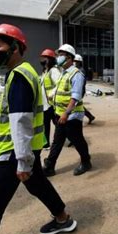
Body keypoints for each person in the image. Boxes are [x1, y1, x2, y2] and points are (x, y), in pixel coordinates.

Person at [0, 24, 76, 234]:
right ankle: (62, 218)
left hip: (13, 152)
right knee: (37, 183)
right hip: (25, 149)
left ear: (15, 47)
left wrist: (23, 161)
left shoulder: (20, 76)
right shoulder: (25, 72)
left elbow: (21, 121)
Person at [42, 44, 92, 177]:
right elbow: (59, 90)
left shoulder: (76, 74)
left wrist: (66, 113)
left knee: (78, 141)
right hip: (60, 113)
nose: (58, 57)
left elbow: (75, 97)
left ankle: (86, 162)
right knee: (57, 141)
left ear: (69, 58)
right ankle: (50, 166)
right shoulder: (63, 73)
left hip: (72, 116)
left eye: (61, 55)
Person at [39, 48, 61, 150]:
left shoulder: (54, 71)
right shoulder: (45, 71)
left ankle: (63, 139)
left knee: (57, 124)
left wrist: (52, 94)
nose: (42, 59)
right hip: (44, 104)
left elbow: (59, 84)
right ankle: (46, 144)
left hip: (51, 103)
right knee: (45, 125)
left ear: (50, 59)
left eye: (45, 58)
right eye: (42, 57)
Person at [74, 54, 96, 124]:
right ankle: (90, 116)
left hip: (80, 91)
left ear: (79, 62)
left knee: (76, 105)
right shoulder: (77, 69)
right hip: (78, 90)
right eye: (74, 61)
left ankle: (87, 117)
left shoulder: (81, 70)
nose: (75, 63)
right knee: (77, 105)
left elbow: (81, 82)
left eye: (76, 61)